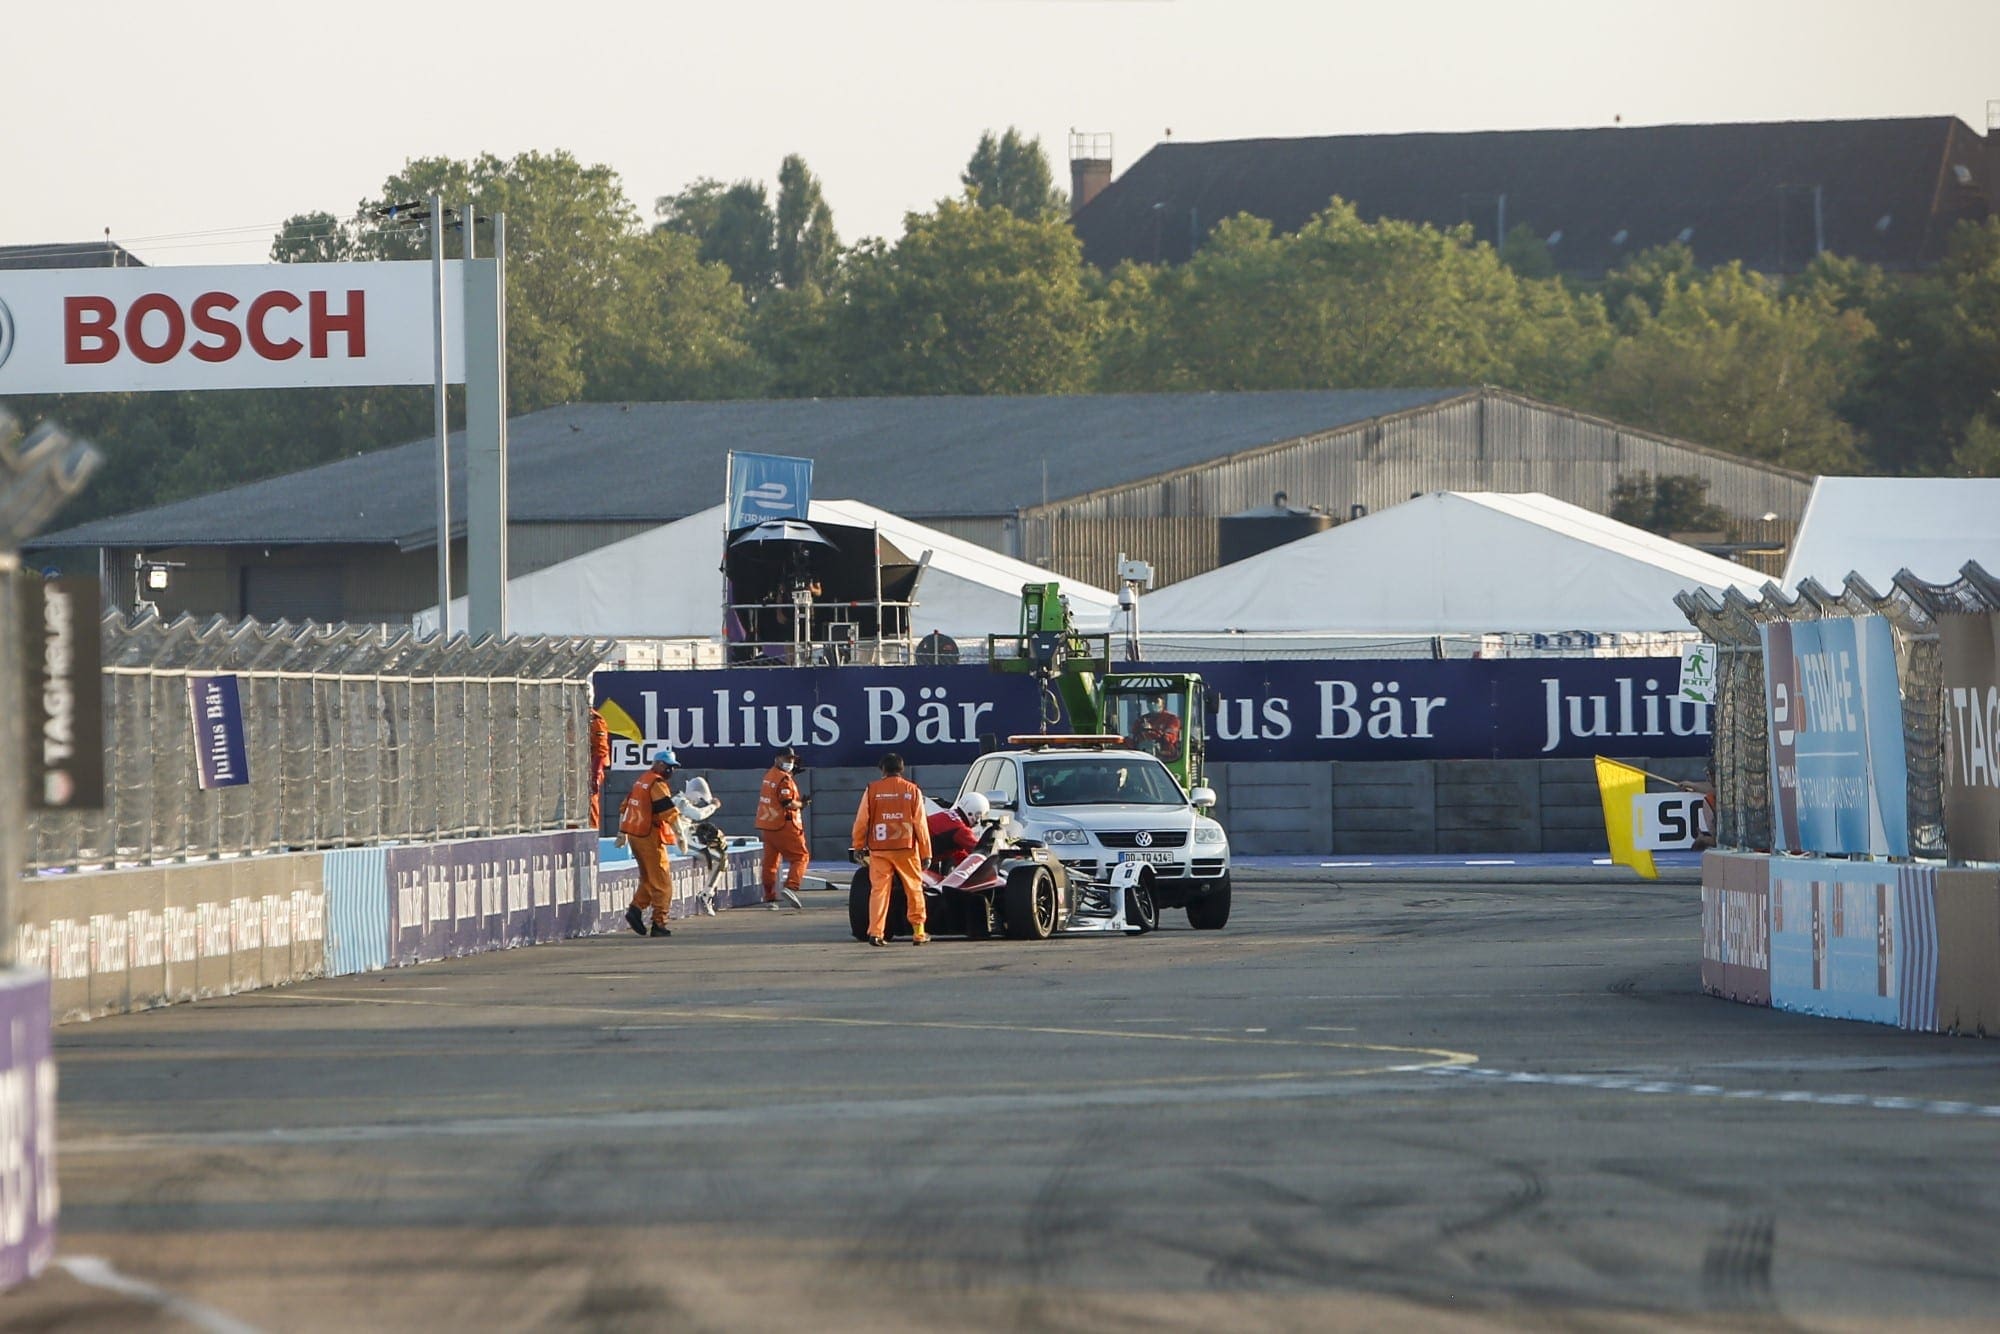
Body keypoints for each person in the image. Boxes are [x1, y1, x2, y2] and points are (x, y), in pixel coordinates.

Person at [851, 752, 933, 946]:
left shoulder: (872, 790)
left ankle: (876, 933)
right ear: (901, 769)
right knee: (914, 889)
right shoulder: (912, 790)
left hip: (879, 849)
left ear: (883, 770)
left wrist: (858, 845)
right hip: (906, 848)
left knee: (879, 891)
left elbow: (862, 821)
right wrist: (926, 852)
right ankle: (919, 932)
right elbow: (920, 824)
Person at [616, 749, 681, 937]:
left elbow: (625, 807)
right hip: (649, 835)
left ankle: (636, 909)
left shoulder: (642, 781)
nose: (671, 770)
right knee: (662, 881)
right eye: (669, 766)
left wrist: (622, 832)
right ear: (659, 764)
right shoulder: (656, 784)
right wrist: (680, 833)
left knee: (648, 877)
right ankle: (659, 923)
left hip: (636, 835)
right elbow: (667, 811)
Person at [756, 745, 811, 911]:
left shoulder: (769, 775)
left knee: (770, 863)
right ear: (777, 759)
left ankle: (770, 897)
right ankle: (791, 887)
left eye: (792, 759)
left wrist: (790, 775)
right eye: (787, 759)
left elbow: (774, 791)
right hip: (784, 825)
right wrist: (802, 804)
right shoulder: (784, 779)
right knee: (801, 857)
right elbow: (787, 802)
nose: (790, 762)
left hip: (767, 826)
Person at [926, 791, 990, 870]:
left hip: (918, 851)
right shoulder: (961, 830)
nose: (978, 821)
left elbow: (957, 852)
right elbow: (979, 851)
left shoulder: (949, 814)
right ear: (972, 813)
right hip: (919, 857)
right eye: (979, 815)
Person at [587, 707, 611, 831]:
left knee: (590, 802)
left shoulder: (595, 720)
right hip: (571, 769)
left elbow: (601, 750)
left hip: (589, 769)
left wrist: (595, 774)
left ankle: (590, 832)